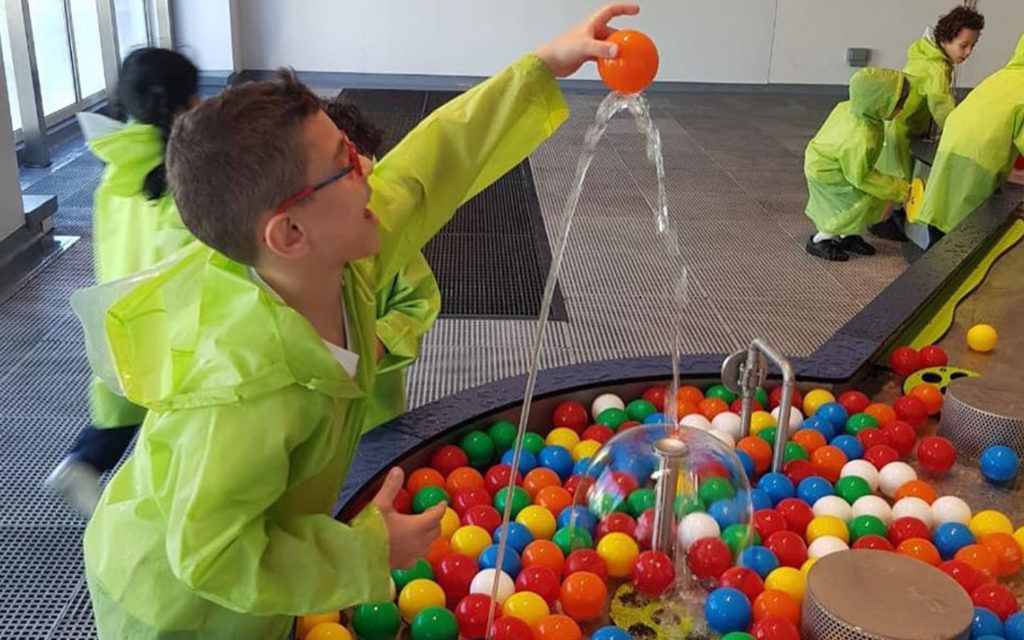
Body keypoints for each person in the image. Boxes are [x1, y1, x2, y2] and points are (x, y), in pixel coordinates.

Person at [74, 5, 637, 638]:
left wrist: (540, 68)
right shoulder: (244, 392)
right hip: (171, 608)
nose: (369, 167)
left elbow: (429, 166)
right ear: (289, 232)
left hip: (244, 585)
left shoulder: (335, 265)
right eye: (344, 163)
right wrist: (367, 551)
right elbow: (212, 552)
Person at [45, 48, 198, 516]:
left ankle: (84, 460)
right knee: (175, 410)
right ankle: (162, 500)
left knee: (121, 402)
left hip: (115, 306)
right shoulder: (184, 171)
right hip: (170, 317)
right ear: (189, 102)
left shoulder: (115, 164)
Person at [320, 95, 442, 431]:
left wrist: (378, 343)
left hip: (375, 413)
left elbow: (418, 301)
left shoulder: (381, 234)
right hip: (309, 419)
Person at [871, 5, 984, 240]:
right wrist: (960, 131)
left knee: (896, 173)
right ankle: (881, 221)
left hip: (900, 124)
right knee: (898, 178)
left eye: (973, 46)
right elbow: (941, 105)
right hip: (902, 127)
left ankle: (887, 216)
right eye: (963, 45)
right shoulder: (936, 68)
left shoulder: (925, 54)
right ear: (946, 39)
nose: (968, 52)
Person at [915, 32, 1024, 239]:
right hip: (977, 164)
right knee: (961, 236)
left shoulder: (1002, 77)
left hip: (951, 152)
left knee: (942, 222)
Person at [804, 68, 912, 261]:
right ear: (879, 103)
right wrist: (898, 189)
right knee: (850, 206)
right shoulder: (861, 137)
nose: (901, 110)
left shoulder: (855, 109)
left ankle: (847, 236)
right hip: (829, 172)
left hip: (827, 162)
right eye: (898, 105)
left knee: (858, 202)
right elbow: (861, 177)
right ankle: (820, 240)